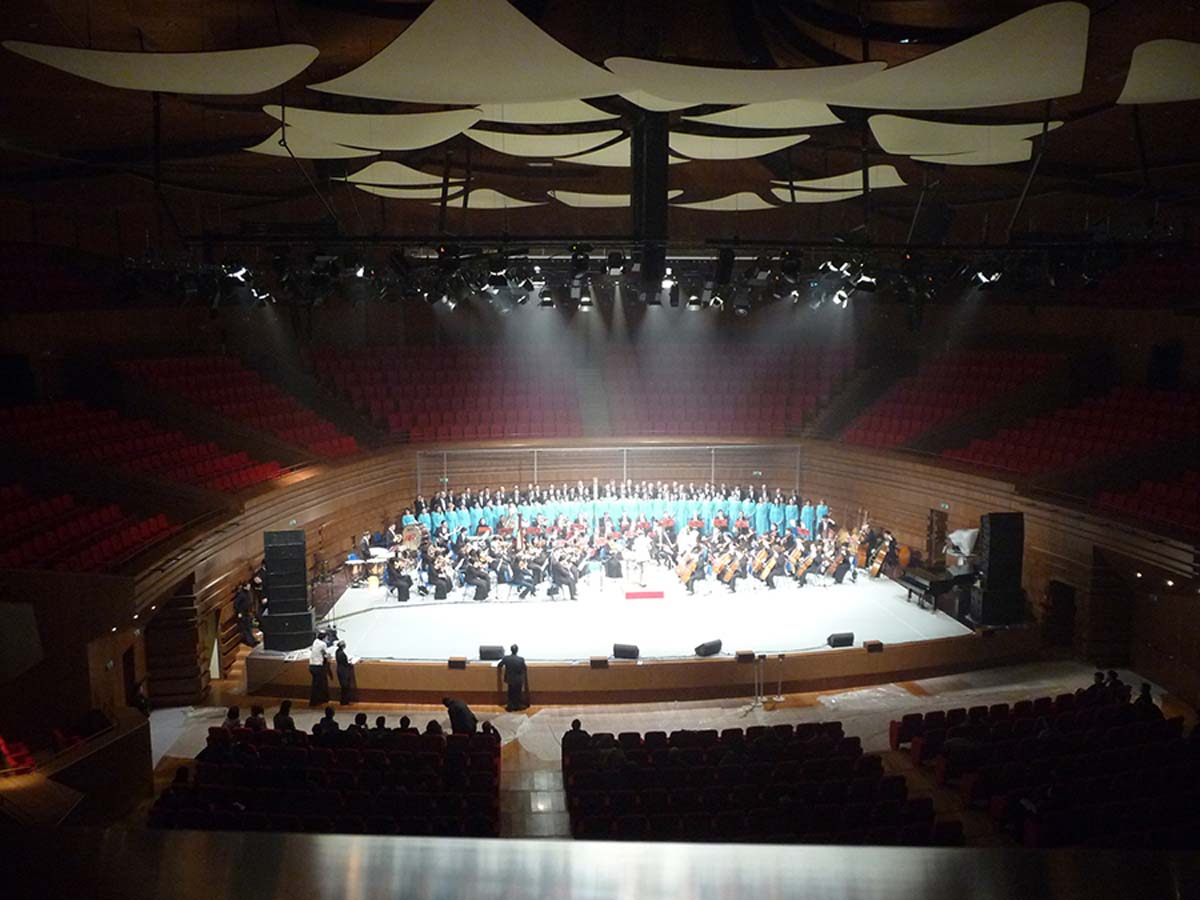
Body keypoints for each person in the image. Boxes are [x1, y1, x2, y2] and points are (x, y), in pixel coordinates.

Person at [497, 643, 529, 712]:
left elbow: (499, 665)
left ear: (510, 650)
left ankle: (510, 706)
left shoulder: (506, 658)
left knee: (510, 693)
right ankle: (517, 705)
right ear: (517, 650)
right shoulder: (521, 659)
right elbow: (524, 668)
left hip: (510, 679)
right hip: (518, 680)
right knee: (518, 693)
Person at [308, 631, 334, 706]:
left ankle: (318, 700)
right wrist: (330, 656)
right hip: (318, 666)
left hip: (312, 666)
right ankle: (314, 701)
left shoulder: (315, 641)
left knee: (316, 684)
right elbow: (325, 655)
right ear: (324, 638)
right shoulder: (323, 644)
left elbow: (321, 652)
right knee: (317, 685)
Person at [233, 583, 257, 647]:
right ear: (244, 587)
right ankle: (250, 642)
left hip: (247, 613)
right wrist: (239, 612)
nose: (249, 587)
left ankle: (253, 640)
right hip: (243, 614)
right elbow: (236, 604)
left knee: (249, 627)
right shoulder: (241, 594)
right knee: (245, 629)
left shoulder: (248, 593)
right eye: (248, 586)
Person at [335, 640, 357, 706]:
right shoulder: (341, 653)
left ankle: (344, 701)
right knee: (345, 687)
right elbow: (345, 663)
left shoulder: (337, 652)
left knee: (344, 687)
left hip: (340, 670)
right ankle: (344, 701)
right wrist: (350, 663)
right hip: (343, 671)